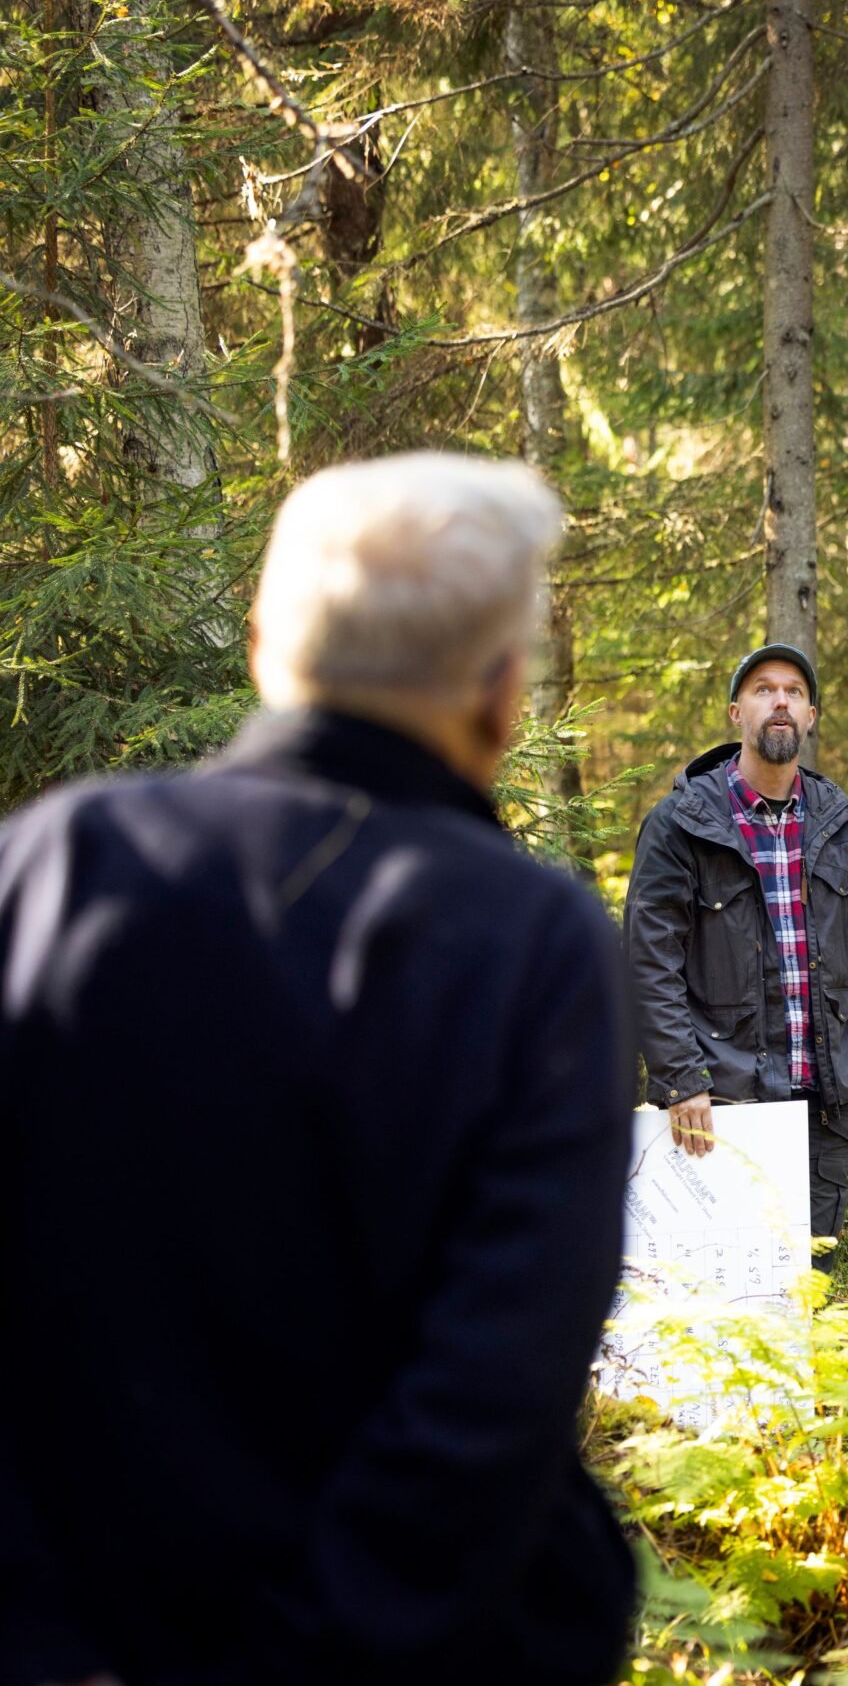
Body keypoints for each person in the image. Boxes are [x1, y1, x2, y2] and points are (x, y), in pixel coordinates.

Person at [0, 454, 636, 1685]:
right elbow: (495, 1390)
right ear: (502, 694)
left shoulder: (45, 865)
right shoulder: (530, 939)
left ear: (261, 648)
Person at [624, 643, 848, 1259]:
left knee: (808, 1295)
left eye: (794, 692)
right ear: (736, 713)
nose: (780, 701)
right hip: (719, 1108)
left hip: (825, 1105)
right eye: (764, 689)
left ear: (811, 716)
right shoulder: (680, 825)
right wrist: (682, 1079)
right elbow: (648, 961)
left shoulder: (842, 823)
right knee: (723, 1300)